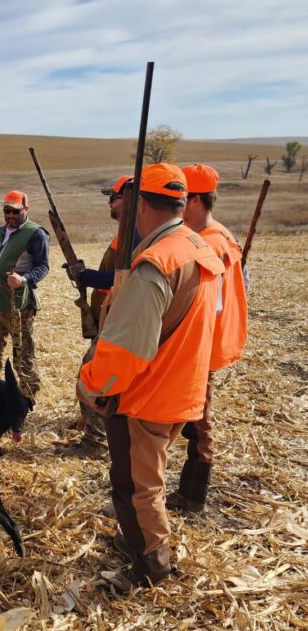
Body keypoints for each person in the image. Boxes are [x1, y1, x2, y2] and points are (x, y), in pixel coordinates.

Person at [77, 163, 224, 585]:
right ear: (181, 202)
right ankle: (137, 541)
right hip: (182, 389)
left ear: (141, 204)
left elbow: (125, 353)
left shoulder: (155, 263)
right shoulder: (197, 246)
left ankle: (150, 568)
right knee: (147, 482)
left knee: (137, 488)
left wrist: (90, 385)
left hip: (146, 398)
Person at [167, 164, 248, 513]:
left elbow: (203, 303)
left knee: (199, 423)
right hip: (211, 343)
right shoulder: (223, 235)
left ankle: (192, 495)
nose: (178, 205)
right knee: (196, 418)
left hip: (202, 346)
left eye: (183, 198)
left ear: (196, 199)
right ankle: (189, 492)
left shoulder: (209, 243)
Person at [61, 175, 135, 456]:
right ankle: (92, 427)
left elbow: (122, 279)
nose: (110, 202)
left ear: (128, 200)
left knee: (92, 376)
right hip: (109, 317)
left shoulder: (134, 235)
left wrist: (86, 275)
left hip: (116, 322)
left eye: (114, 197)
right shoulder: (127, 233)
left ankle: (95, 442)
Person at [0, 190, 48, 396]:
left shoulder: (36, 233)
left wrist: (24, 279)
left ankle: (28, 396)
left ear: (26, 209)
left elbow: (43, 267)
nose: (11, 216)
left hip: (18, 306)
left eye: (16, 212)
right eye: (7, 211)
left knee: (23, 356)